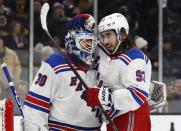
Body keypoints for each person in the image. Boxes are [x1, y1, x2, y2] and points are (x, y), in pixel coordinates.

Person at [68, 13, 152, 131]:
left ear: (122, 34)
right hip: (113, 119)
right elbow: (84, 48)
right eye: (103, 36)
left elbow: (137, 95)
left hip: (132, 117)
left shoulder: (135, 59)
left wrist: (102, 96)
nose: (105, 41)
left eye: (108, 35)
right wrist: (84, 22)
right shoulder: (105, 49)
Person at [22, 14, 102, 130]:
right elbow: (35, 109)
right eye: (85, 42)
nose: (89, 48)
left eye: (91, 43)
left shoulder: (100, 66)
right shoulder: (55, 63)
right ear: (72, 41)